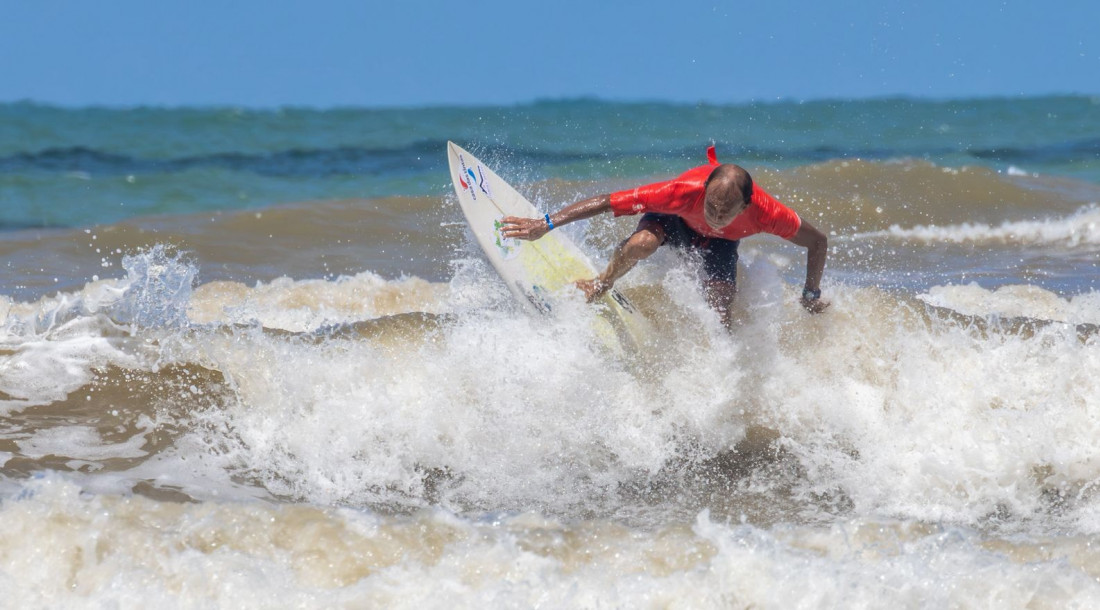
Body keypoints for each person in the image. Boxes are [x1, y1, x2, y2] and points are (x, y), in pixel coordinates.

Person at [499, 145, 829, 327]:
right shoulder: (681, 194)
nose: (714, 216)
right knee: (641, 244)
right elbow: (606, 201)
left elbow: (818, 242)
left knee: (722, 303)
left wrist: (810, 295)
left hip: (721, 244)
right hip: (674, 222)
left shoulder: (768, 213)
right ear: (704, 190)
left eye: (724, 212)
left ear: (746, 205)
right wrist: (546, 223)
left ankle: (719, 366)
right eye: (710, 206)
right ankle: (601, 282)